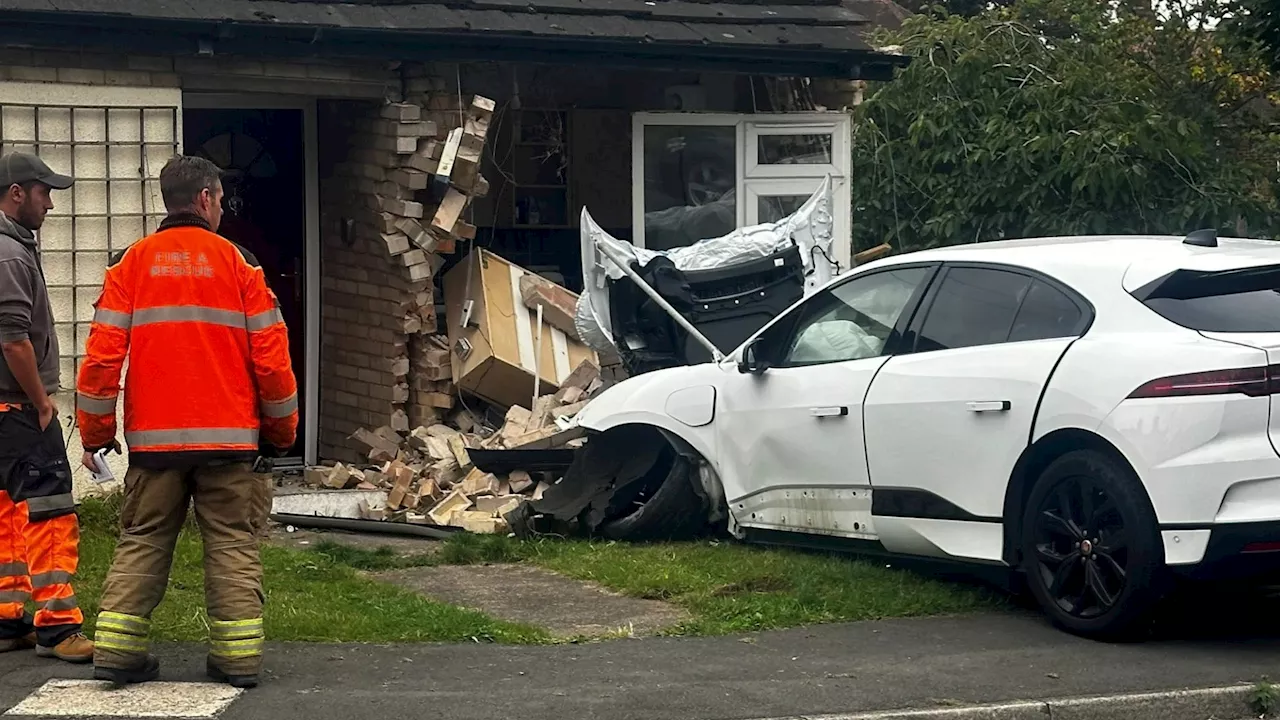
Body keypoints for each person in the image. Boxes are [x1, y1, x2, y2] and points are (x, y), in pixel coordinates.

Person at [76, 154, 298, 687]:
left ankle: (118, 654)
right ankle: (237, 660)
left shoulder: (131, 263)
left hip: (155, 447)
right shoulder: (241, 265)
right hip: (230, 445)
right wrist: (280, 434)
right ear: (204, 198)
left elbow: (102, 359)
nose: (223, 208)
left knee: (143, 540)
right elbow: (272, 360)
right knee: (232, 546)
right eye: (221, 199)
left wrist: (96, 435)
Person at [0, 152, 95, 663]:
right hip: (18, 407)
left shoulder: (9, 248)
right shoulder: (10, 255)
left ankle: (8, 618)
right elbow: (13, 339)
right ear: (17, 192)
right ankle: (58, 627)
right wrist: (41, 402)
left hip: (2, 410)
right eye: (43, 192)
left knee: (8, 512)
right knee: (50, 510)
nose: (50, 204)